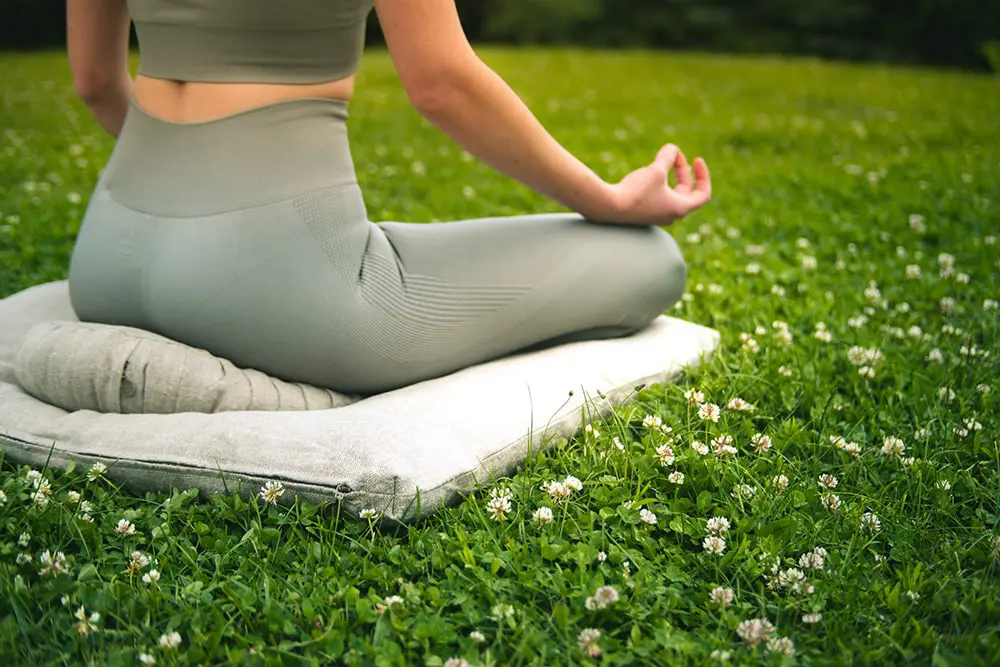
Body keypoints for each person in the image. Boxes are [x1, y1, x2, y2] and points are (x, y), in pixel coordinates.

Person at [65, 0, 712, 395]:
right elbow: (441, 83)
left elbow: (94, 79)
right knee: (650, 260)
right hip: (275, 290)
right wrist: (609, 201)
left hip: (106, 258)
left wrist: (193, 201)